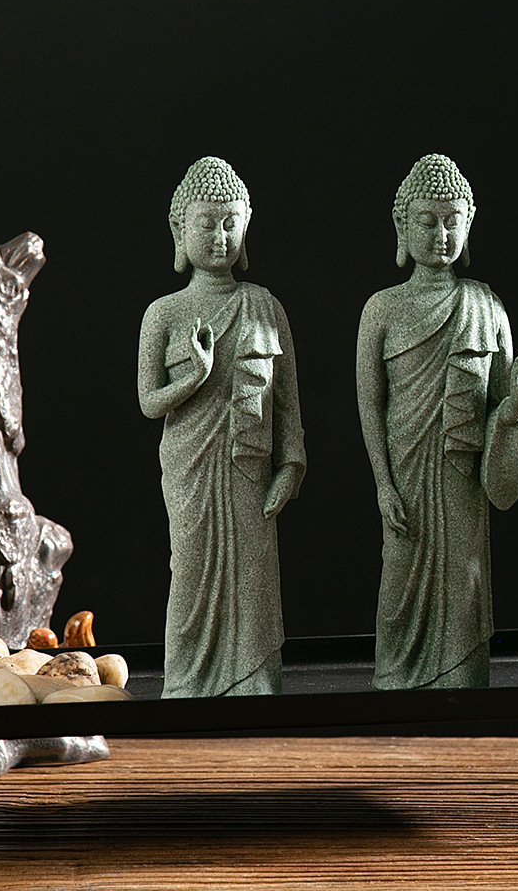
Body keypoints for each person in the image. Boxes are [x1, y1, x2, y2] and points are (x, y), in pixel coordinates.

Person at [357, 154, 518, 690]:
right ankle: (398, 679)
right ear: (402, 226)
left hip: (462, 480)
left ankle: (461, 680)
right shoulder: (381, 309)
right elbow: (370, 403)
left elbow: (501, 406)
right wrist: (382, 483)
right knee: (400, 578)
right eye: (427, 221)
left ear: (468, 226)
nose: (441, 234)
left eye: (452, 221)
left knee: (464, 576)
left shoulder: (486, 306)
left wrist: (517, 405)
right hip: (406, 474)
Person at [138, 157, 305, 698]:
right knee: (190, 573)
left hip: (250, 466)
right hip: (190, 465)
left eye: (231, 223)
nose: (219, 236)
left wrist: (291, 465)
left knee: (255, 575)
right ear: (180, 230)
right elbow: (148, 402)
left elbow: (287, 401)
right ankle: (187, 685)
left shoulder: (265, 307)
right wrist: (196, 377)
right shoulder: (164, 313)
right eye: (206, 223)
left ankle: (255, 682)